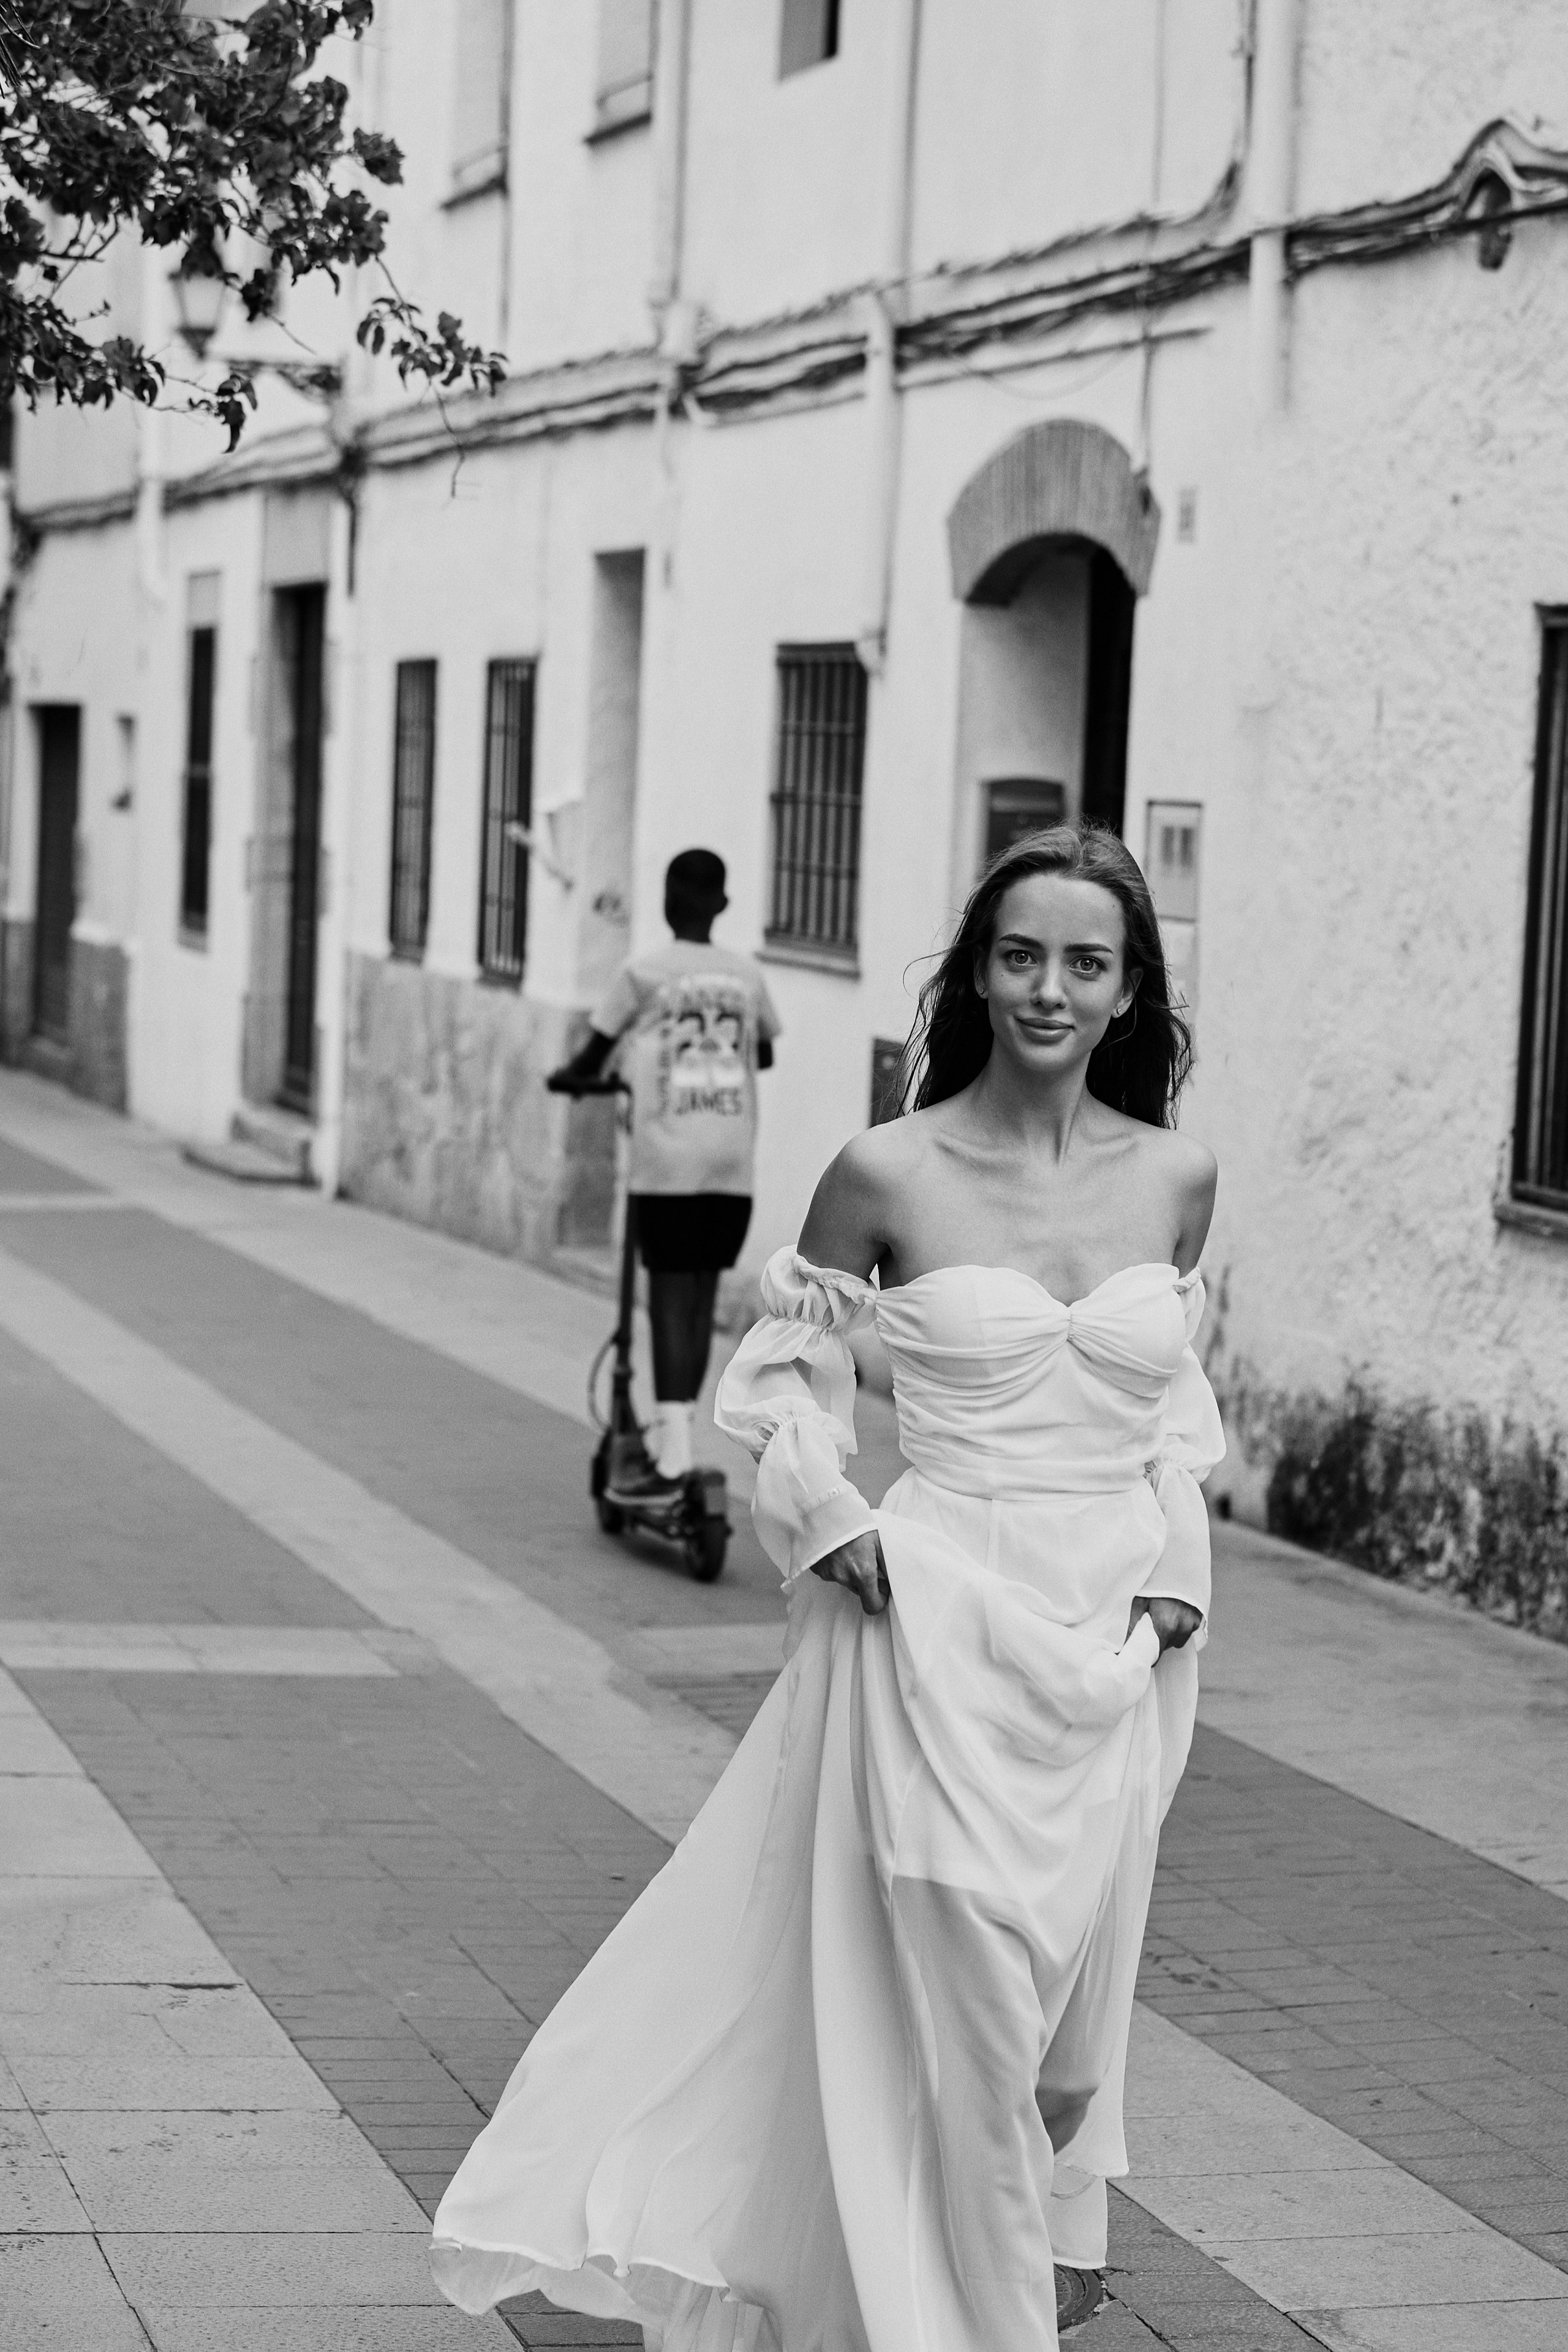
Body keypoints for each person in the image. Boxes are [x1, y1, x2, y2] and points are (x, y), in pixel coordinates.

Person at [432, 823, 1223, 2351]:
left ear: (1128, 990)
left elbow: (1171, 1404)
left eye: (1084, 962)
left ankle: (972, 2271)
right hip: (925, 1619)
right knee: (957, 1980)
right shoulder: (885, 1169)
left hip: (1114, 1648)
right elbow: (786, 1373)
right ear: (975, 975)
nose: (1047, 989)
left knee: (1063, 2051)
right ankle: (968, 2323)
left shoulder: (1179, 1177)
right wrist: (825, 1512)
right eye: (1018, 956)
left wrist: (1177, 1568)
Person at [550, 846, 780, 1497]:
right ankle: (678, 1440)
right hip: (730, 1164)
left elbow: (592, 1054)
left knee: (668, 1303)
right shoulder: (746, 975)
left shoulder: (643, 973)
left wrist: (575, 1077)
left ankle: (674, 1457)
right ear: (723, 904)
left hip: (668, 1163)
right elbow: (762, 1053)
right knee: (701, 1300)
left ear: (666, 902)